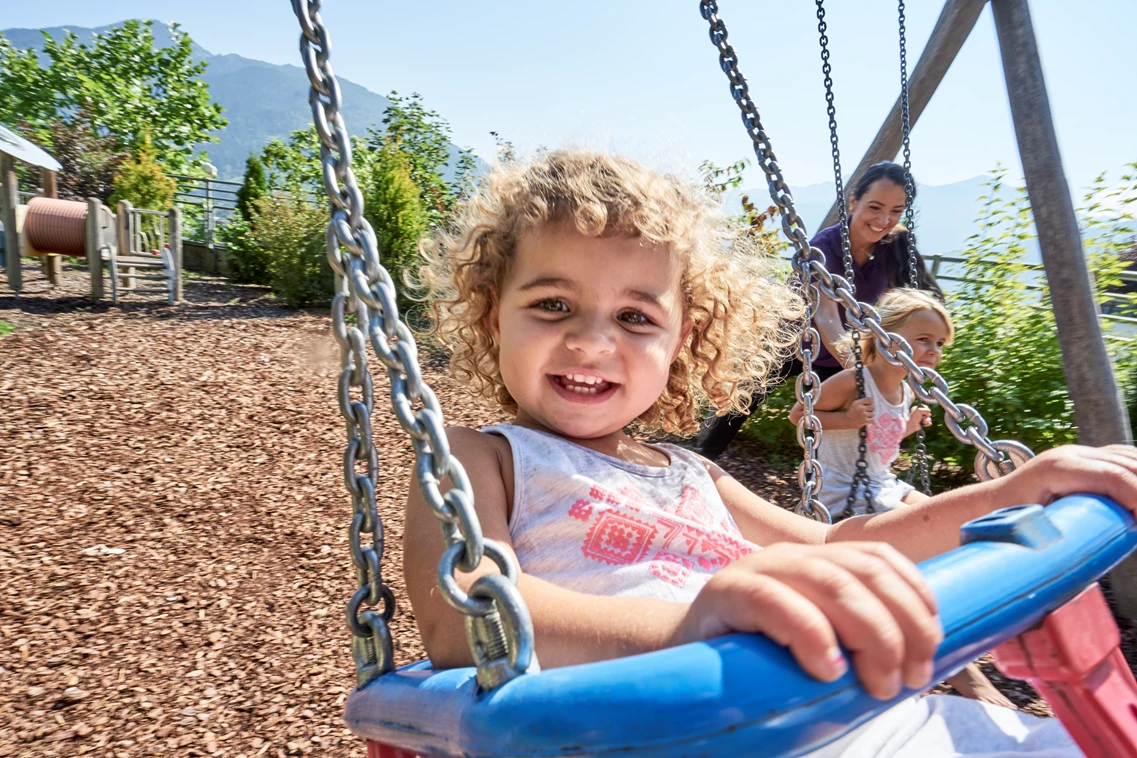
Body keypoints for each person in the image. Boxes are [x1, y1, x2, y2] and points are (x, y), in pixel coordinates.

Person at [404, 149, 1137, 756]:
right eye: (552, 305)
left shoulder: (696, 473)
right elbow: (470, 618)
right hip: (644, 732)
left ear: (681, 339)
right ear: (490, 311)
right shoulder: (478, 459)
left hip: (837, 716)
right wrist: (690, 629)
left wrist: (1016, 491)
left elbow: (842, 541)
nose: (592, 342)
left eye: (634, 316)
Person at [789, 287, 1014, 709]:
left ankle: (947, 619)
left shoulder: (905, 389)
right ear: (884, 333)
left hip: (881, 481)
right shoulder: (854, 380)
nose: (932, 350)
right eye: (923, 339)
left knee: (951, 526)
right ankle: (956, 666)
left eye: (939, 344)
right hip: (841, 492)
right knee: (919, 545)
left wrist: (907, 427)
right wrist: (845, 417)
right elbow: (800, 418)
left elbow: (878, 441)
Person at [696, 161, 942, 460]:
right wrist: (862, 366)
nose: (884, 219)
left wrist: (913, 350)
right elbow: (825, 317)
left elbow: (909, 304)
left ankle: (845, 481)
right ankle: (704, 458)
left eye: (895, 211)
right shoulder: (821, 249)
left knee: (851, 418)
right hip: (793, 341)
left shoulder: (894, 247)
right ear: (854, 201)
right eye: (875, 207)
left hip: (842, 352)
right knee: (744, 401)